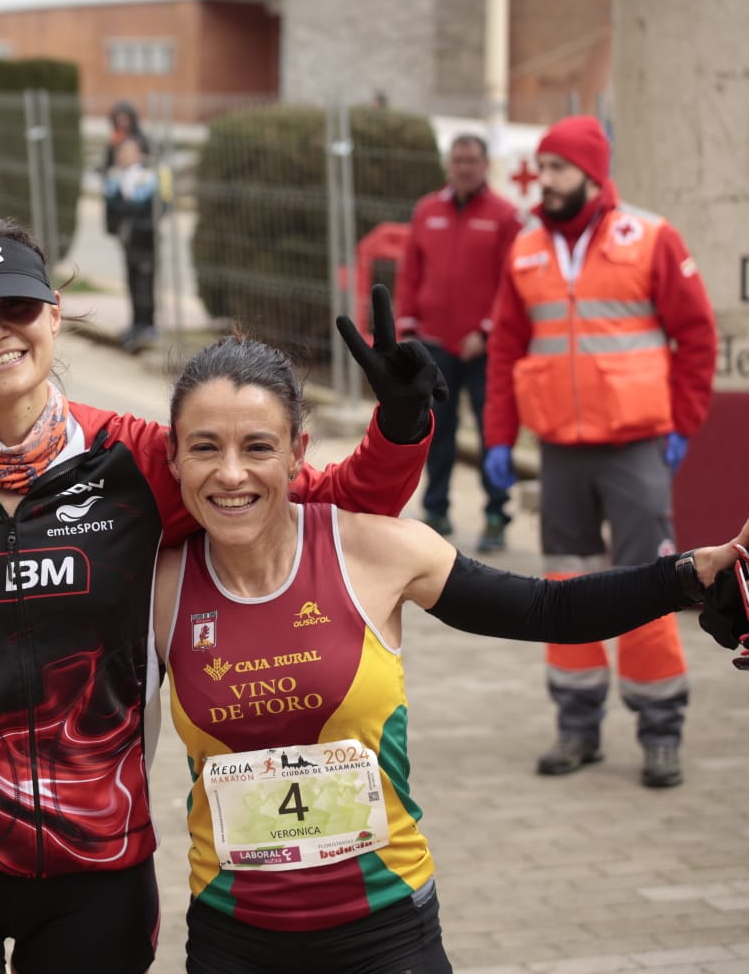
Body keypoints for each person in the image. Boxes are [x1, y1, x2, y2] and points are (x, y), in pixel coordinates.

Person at [0, 212, 442, 973]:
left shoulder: (135, 459)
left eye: (16, 308)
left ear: (53, 316)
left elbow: (321, 505)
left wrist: (399, 422)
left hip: (95, 865)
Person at [152, 330, 749, 974]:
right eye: (205, 448)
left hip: (386, 932)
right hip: (232, 939)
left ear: (298, 452)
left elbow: (551, 609)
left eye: (258, 446)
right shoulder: (158, 586)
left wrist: (692, 574)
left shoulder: (376, 550)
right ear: (174, 456)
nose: (232, 473)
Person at [482, 115, 718, 788]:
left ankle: (660, 731)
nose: (543, 180)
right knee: (565, 588)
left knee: (649, 585)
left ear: (590, 172)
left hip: (637, 445)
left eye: (556, 168)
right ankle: (577, 728)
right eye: (542, 167)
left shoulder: (649, 236)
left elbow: (696, 336)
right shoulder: (526, 248)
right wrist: (499, 438)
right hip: (560, 449)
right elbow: (506, 352)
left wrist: (683, 424)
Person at [396, 134, 523, 551]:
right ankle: (435, 511)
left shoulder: (505, 216)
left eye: (472, 160)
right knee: (438, 430)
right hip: (434, 345)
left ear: (486, 165)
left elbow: (512, 281)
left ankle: (495, 514)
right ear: (448, 164)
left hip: (485, 350)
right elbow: (410, 272)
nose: (464, 167)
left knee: (492, 431)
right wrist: (408, 326)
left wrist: (486, 330)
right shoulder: (426, 210)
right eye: (458, 160)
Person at [103, 136, 170, 353]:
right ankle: (135, 324)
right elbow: (114, 208)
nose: (124, 156)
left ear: (140, 154)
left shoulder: (149, 179)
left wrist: (125, 206)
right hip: (128, 240)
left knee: (145, 282)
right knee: (132, 281)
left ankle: (147, 325)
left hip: (145, 240)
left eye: (129, 151)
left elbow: (151, 207)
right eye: (122, 152)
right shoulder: (116, 179)